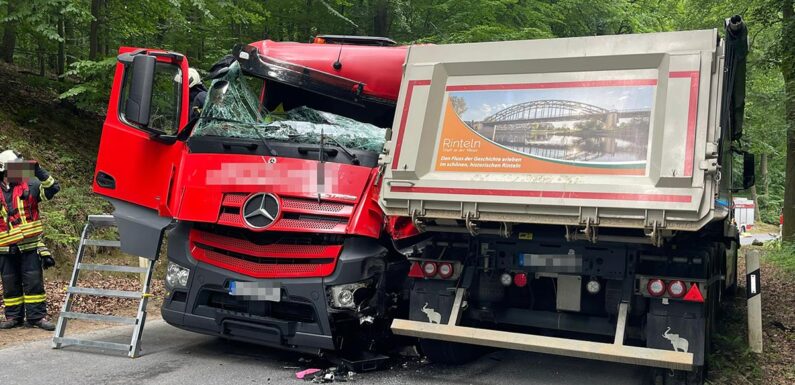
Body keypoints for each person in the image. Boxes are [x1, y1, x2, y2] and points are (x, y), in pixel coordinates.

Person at [0, 150, 60, 330]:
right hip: (4, 248)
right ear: (4, 170)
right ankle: (13, 317)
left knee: (33, 282)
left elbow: (53, 188)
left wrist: (38, 171)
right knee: (10, 283)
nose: (20, 170)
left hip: (29, 245)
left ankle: (36, 318)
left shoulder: (31, 184)